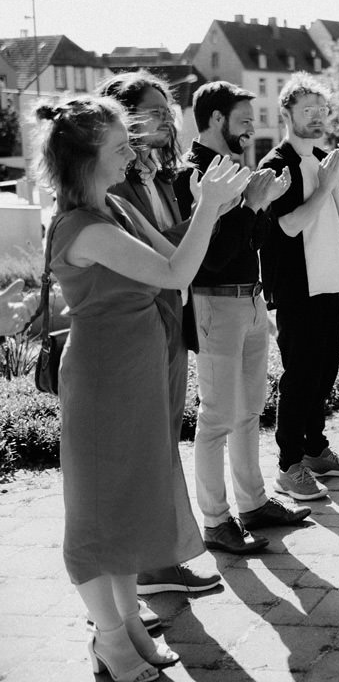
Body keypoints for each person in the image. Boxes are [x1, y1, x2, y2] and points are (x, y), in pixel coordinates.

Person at [40, 96, 248, 682]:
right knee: (97, 515)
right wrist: (208, 206)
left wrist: (220, 207)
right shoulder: (84, 226)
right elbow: (176, 274)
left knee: (128, 504)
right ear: (86, 160)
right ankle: (109, 639)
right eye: (120, 147)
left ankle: (129, 625)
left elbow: (177, 254)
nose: (134, 154)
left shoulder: (113, 209)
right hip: (106, 380)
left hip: (138, 369)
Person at [98, 72, 220, 597]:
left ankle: (161, 559)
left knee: (164, 440)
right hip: (143, 322)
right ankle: (150, 567)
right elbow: (153, 258)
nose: (167, 120)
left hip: (170, 319)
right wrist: (203, 214)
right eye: (152, 111)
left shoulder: (160, 175)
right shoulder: (115, 186)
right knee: (149, 445)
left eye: (168, 109)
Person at [176, 81, 311, 553]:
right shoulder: (192, 174)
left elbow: (252, 242)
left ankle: (254, 504)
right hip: (214, 300)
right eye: (244, 119)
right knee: (216, 418)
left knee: (250, 410)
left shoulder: (235, 168)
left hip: (250, 301)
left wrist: (259, 205)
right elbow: (210, 259)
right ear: (216, 120)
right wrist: (253, 204)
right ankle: (216, 521)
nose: (253, 127)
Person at [259, 73, 339, 502]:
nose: (318, 118)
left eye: (322, 110)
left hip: (331, 280)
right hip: (296, 285)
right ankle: (289, 464)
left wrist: (333, 178)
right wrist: (324, 185)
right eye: (308, 111)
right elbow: (288, 226)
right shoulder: (275, 164)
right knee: (300, 375)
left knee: (325, 372)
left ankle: (316, 448)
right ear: (286, 113)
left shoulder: (326, 157)